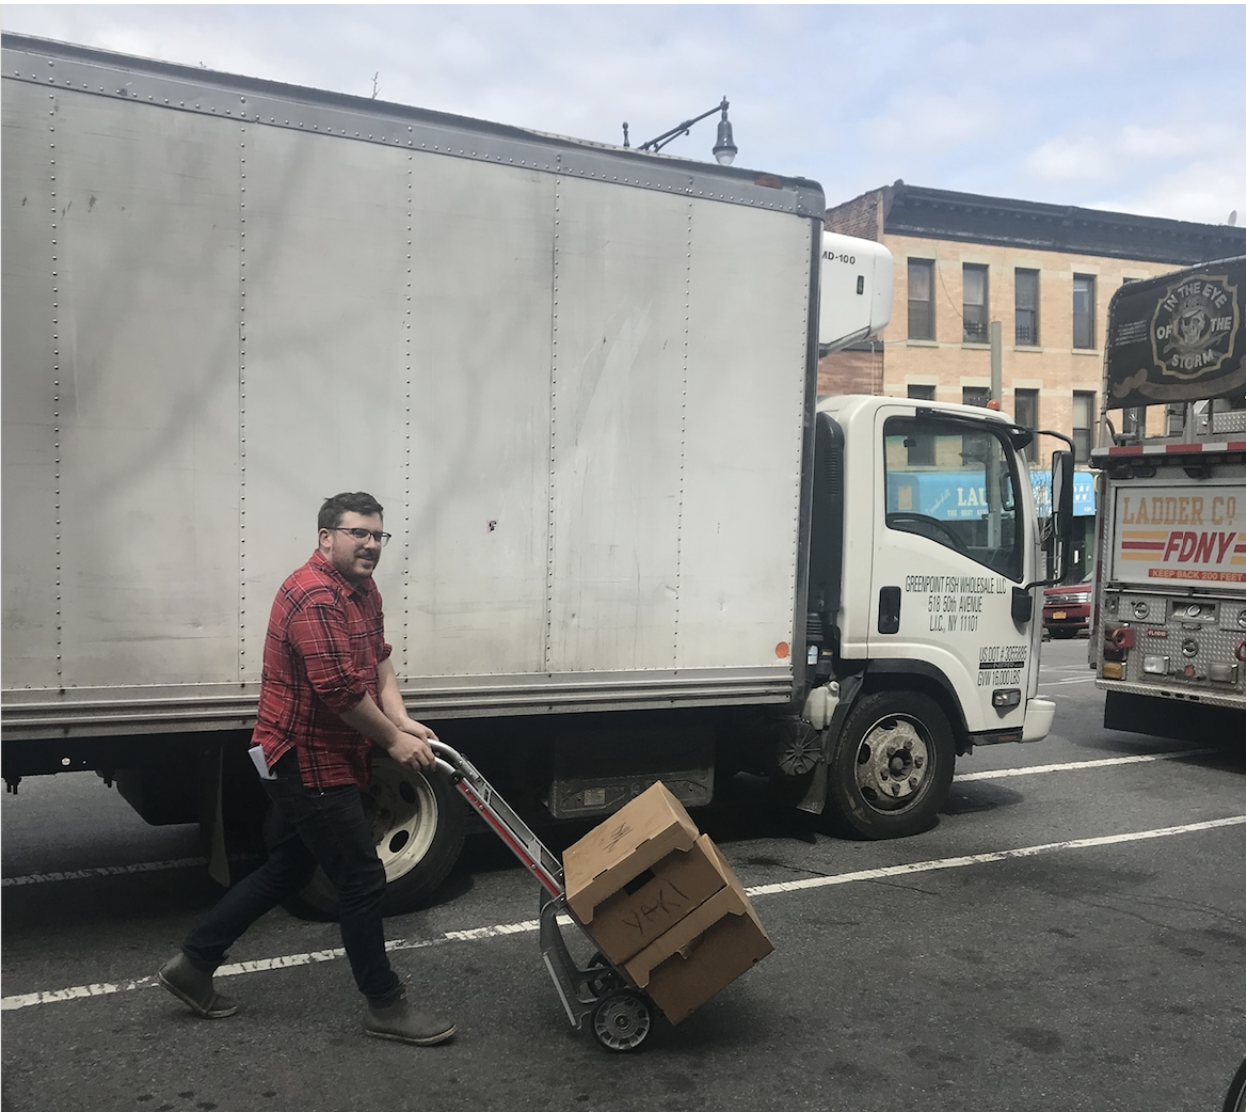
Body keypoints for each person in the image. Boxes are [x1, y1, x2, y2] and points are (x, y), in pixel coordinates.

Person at [158, 492, 455, 1047]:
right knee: (362, 879)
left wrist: (403, 718)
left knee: (290, 866)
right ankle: (385, 1005)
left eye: (377, 535)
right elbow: (340, 690)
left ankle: (193, 963)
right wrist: (393, 742)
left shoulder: (362, 590)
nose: (370, 545)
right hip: (306, 758)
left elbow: (380, 655)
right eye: (357, 534)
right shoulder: (314, 595)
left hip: (334, 754)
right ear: (326, 537)